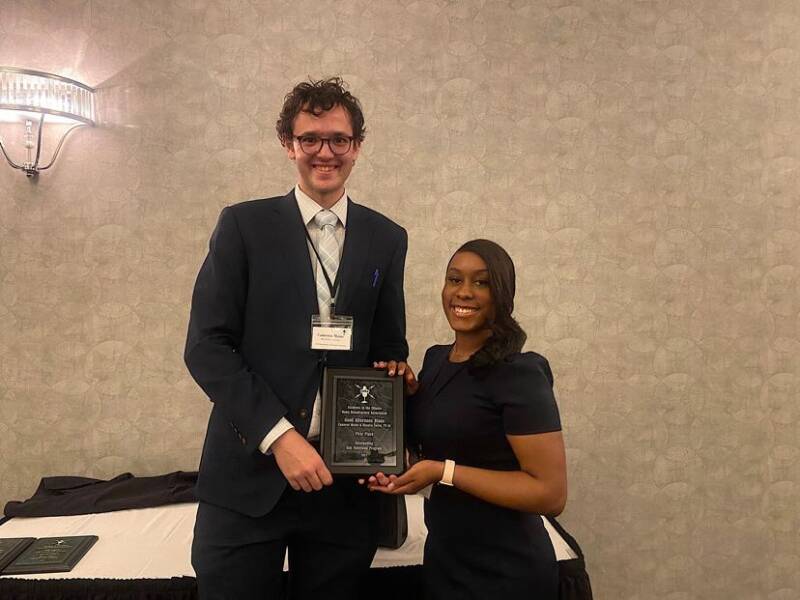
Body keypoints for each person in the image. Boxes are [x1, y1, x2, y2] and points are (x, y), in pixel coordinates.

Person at [184, 77, 409, 599]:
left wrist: (395, 386)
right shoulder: (243, 226)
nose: (325, 153)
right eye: (310, 139)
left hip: (341, 489)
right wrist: (280, 436)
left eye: (339, 139)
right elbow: (207, 347)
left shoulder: (387, 237)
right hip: (248, 477)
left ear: (357, 146)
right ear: (289, 144)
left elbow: (387, 347)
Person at [367, 239, 567, 599]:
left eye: (481, 282)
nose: (463, 292)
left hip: (506, 571)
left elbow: (550, 494)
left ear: (503, 294)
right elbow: (430, 446)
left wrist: (443, 472)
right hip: (445, 561)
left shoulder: (519, 373)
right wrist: (401, 398)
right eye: (454, 279)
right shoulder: (436, 360)